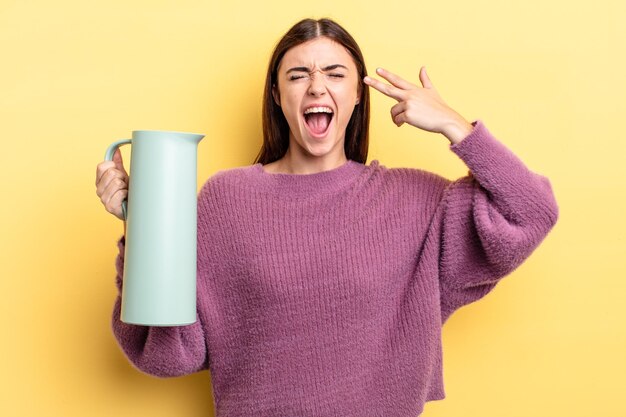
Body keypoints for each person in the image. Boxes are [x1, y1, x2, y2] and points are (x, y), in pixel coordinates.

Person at [95, 17, 559, 417]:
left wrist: (454, 125)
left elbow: (532, 211)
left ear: (358, 94)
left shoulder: (416, 201)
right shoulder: (226, 201)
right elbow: (167, 354)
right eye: (298, 75)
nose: (317, 85)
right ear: (277, 96)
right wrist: (140, 228)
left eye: (335, 73)